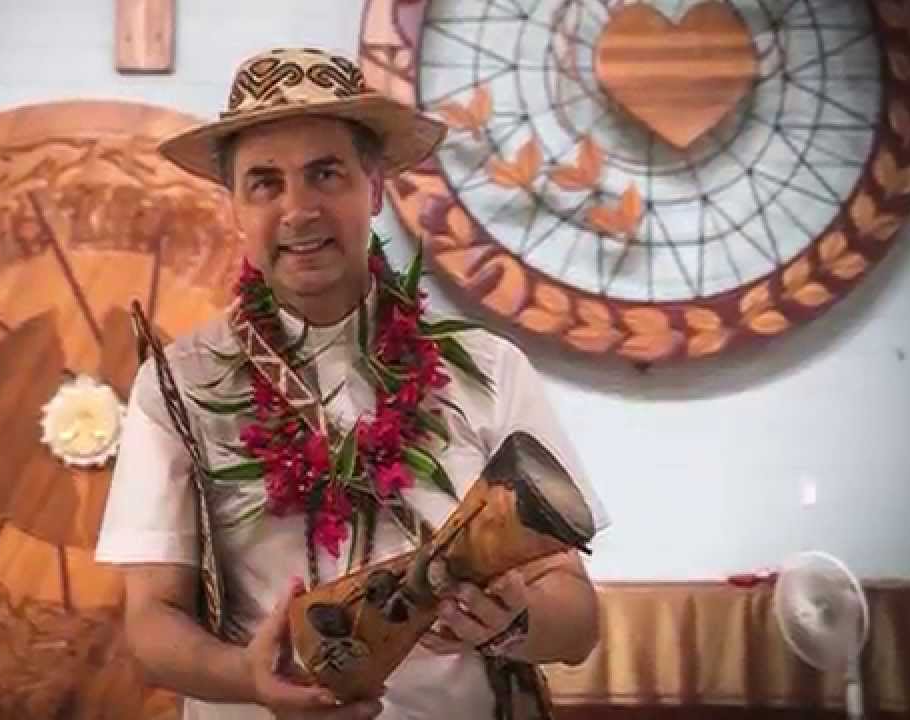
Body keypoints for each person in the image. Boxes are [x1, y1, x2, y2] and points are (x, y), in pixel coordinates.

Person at [96, 47, 610, 720]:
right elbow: (151, 620)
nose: (298, 210)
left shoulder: (487, 368)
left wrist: (517, 622)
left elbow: (577, 616)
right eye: (265, 183)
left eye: (325, 173)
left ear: (373, 186)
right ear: (235, 208)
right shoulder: (178, 385)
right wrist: (246, 677)